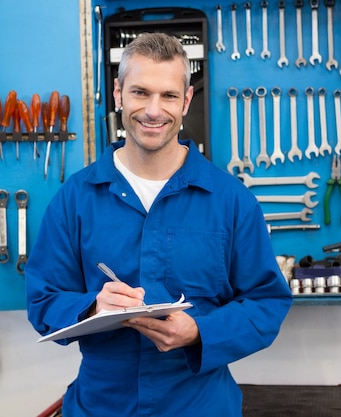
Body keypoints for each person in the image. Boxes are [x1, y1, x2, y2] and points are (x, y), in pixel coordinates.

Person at [26, 32, 292, 417]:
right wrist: (92, 307)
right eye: (140, 93)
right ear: (118, 95)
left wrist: (200, 332)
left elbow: (267, 303)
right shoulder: (76, 198)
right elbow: (42, 299)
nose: (153, 110)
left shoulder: (231, 201)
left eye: (168, 96)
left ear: (186, 101)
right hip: (101, 406)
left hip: (200, 406)